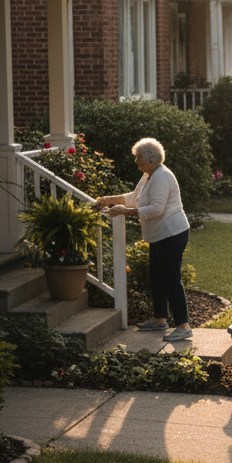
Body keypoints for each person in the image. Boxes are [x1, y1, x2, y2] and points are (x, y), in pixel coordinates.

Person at [95, 138, 192, 342]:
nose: (136, 161)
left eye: (138, 158)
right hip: (159, 236)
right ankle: (160, 321)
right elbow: (134, 197)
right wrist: (108, 200)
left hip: (171, 234)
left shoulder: (162, 177)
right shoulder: (149, 175)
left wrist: (125, 212)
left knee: (171, 279)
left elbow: (156, 209)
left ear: (150, 159)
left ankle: (183, 326)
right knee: (156, 278)